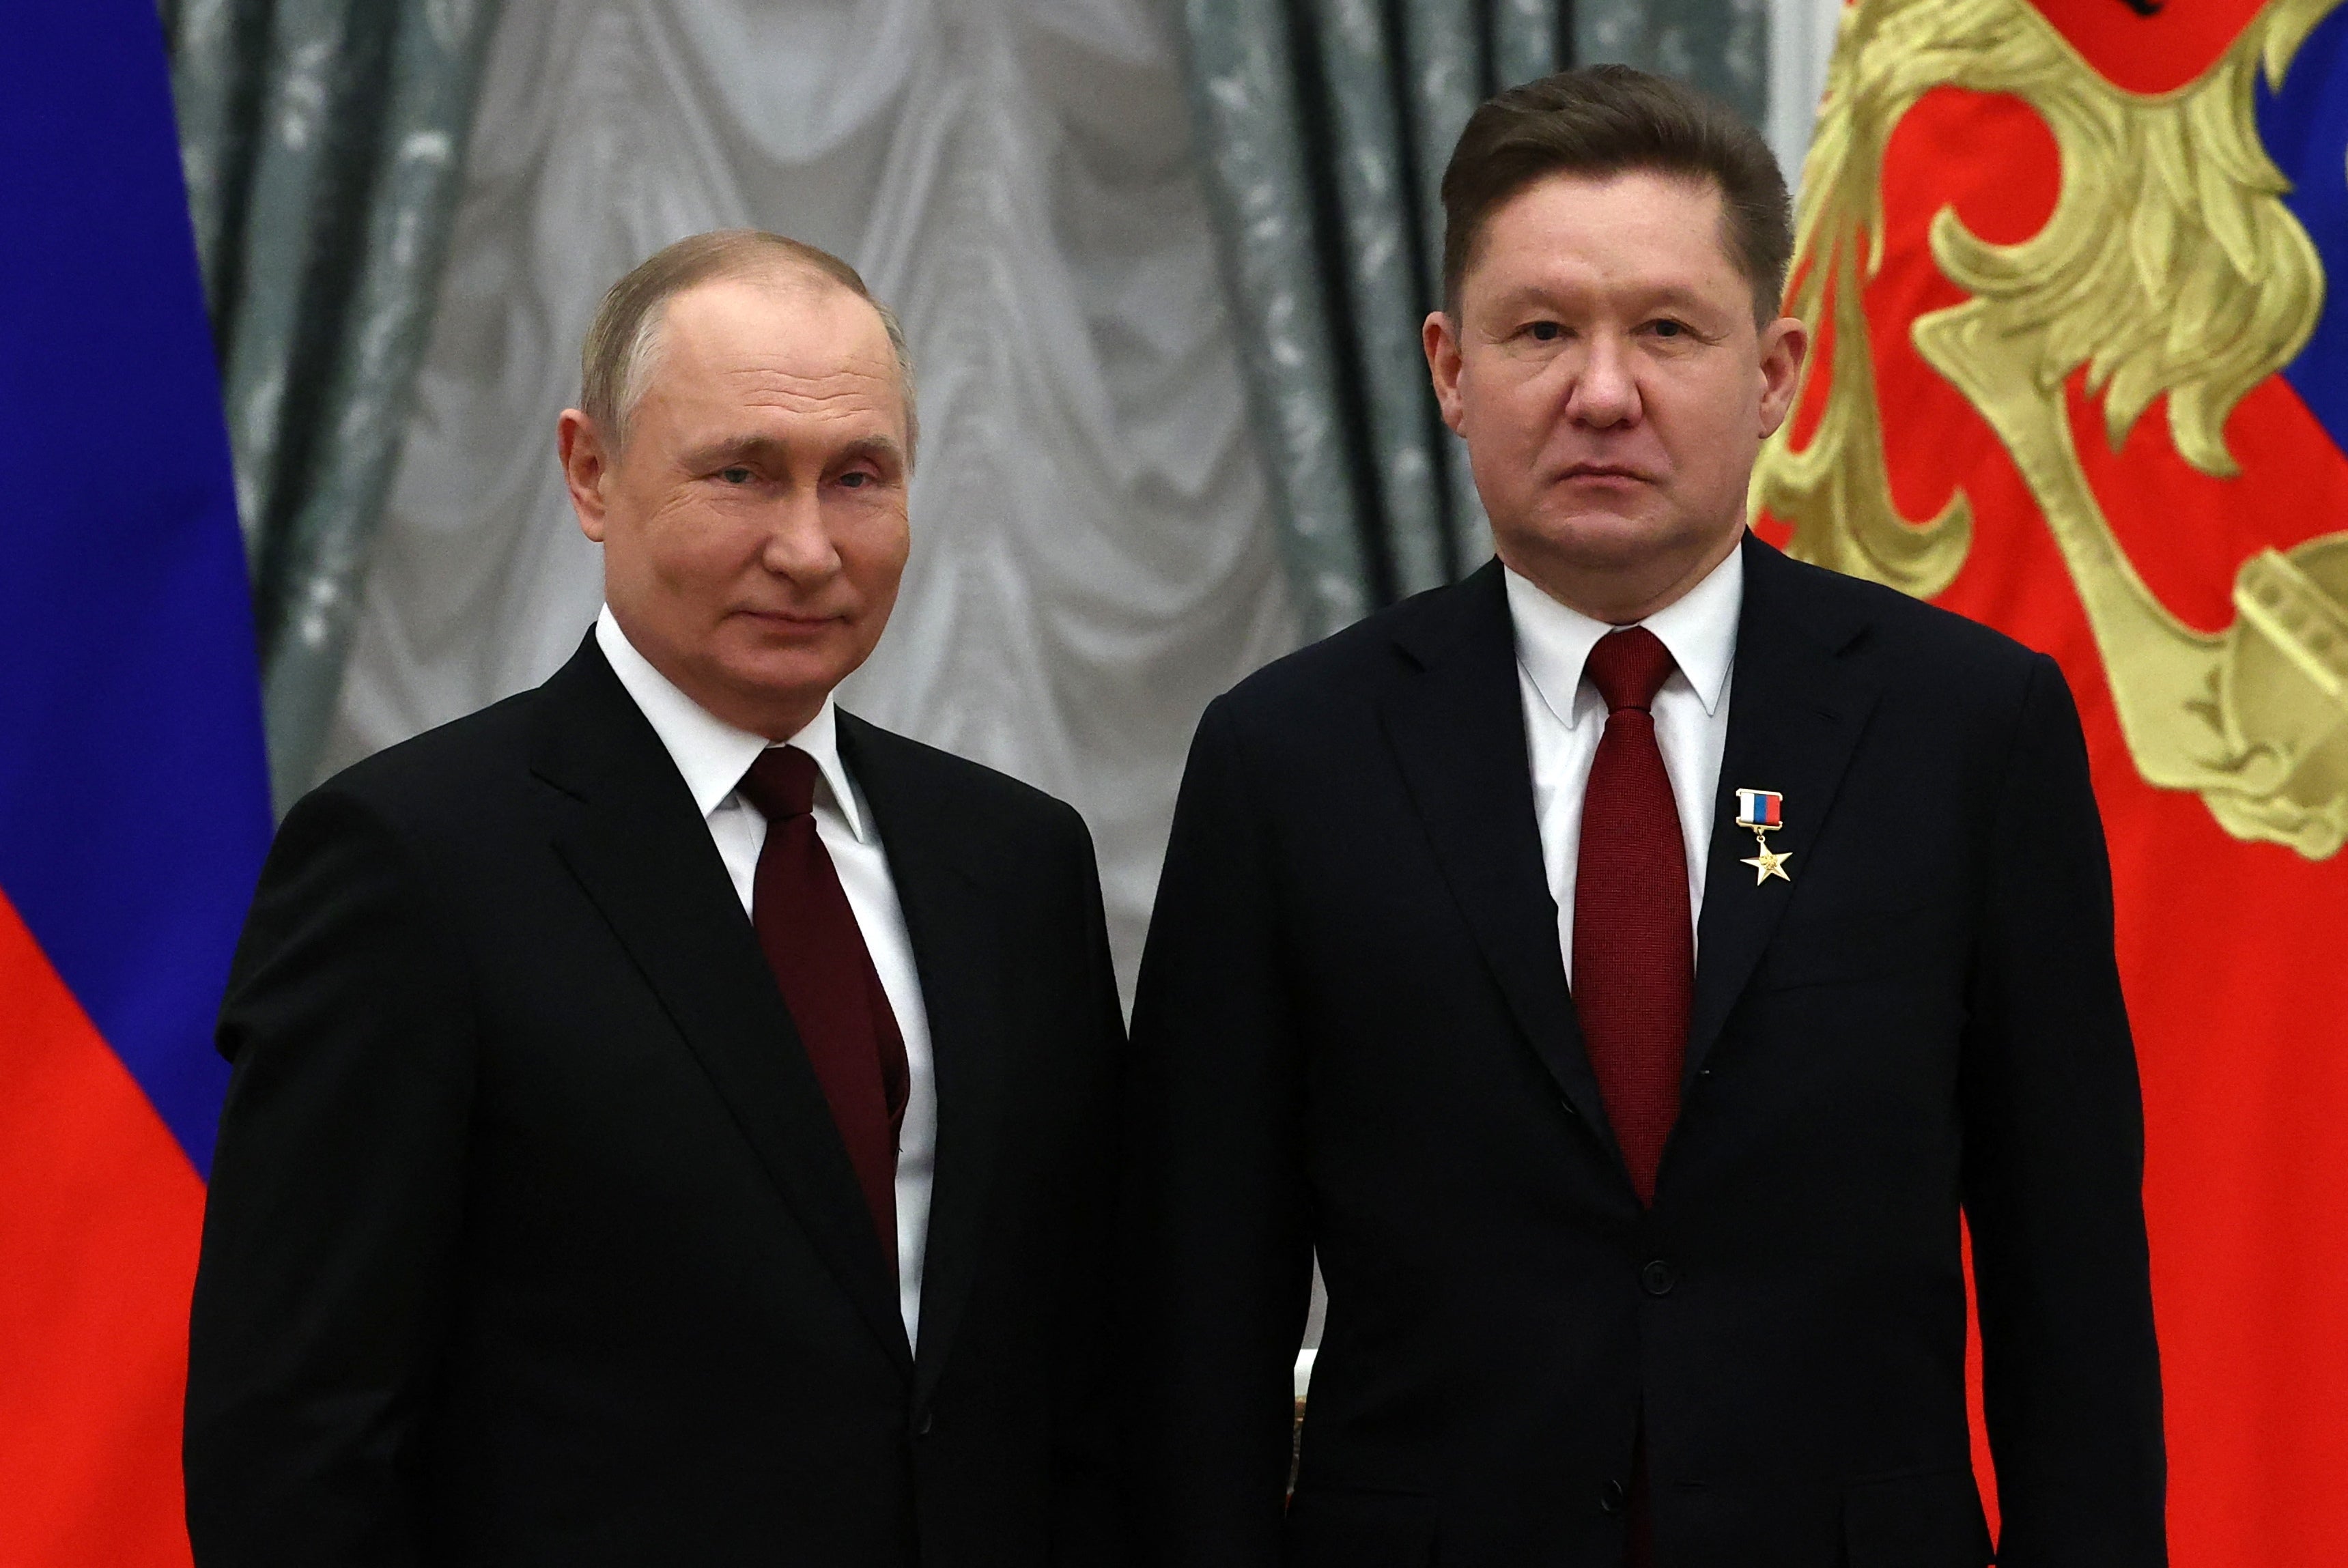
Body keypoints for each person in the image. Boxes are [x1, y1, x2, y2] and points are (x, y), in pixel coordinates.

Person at [1122, 67, 2164, 1568]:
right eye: (1541, 330)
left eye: (1667, 330)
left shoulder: (1968, 730)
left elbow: (2071, 1282)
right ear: (1449, 369)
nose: (1602, 392)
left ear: (1775, 372)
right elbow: (1199, 1316)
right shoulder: (1286, 759)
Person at [186, 231, 1125, 1567]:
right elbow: (294, 1443)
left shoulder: (1017, 863)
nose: (807, 548)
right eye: (741, 473)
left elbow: (1079, 1361)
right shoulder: (410, 863)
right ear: (590, 472)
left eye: (857, 477)